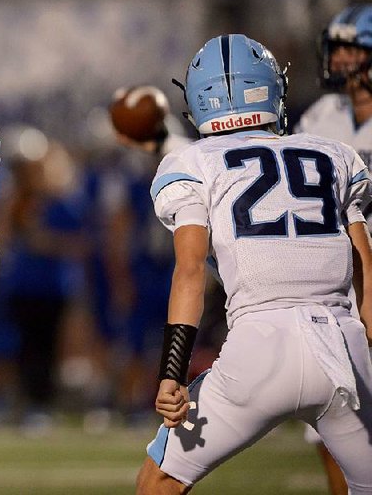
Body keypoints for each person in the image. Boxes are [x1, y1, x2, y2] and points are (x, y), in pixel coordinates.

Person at [135, 34, 372, 494]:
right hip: (342, 344)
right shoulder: (334, 154)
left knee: (161, 480)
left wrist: (171, 371)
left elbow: (189, 271)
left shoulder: (192, 162)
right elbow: (365, 265)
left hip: (259, 347)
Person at [293, 3, 372, 495]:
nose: (341, 58)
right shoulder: (321, 116)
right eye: (337, 47)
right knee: (331, 420)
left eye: (353, 47)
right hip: (337, 282)